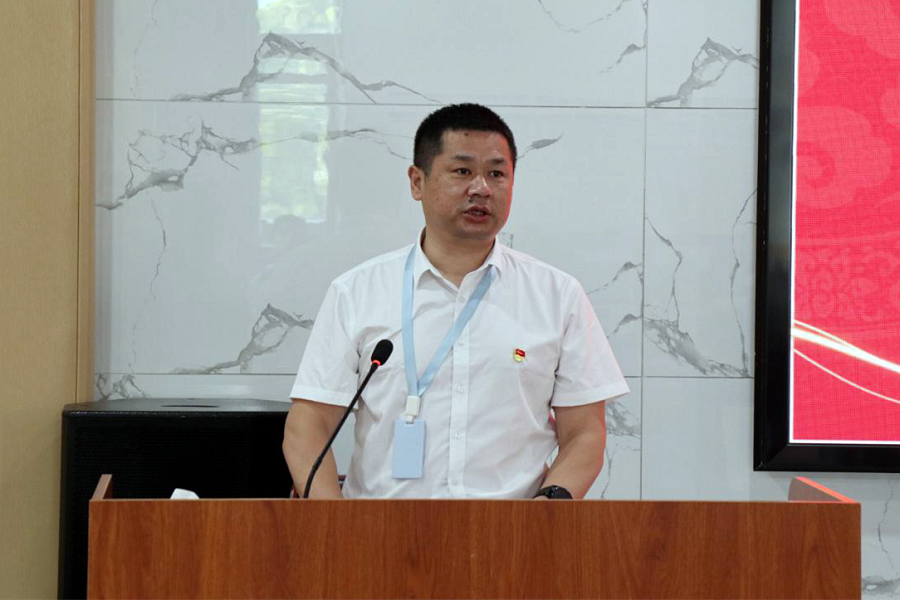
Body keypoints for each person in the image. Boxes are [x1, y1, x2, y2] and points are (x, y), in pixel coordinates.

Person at [283, 103, 628, 499]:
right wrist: (333, 523)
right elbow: (307, 425)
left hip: (514, 529)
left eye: (496, 174)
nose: (481, 188)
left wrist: (548, 509)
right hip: (380, 529)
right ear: (417, 182)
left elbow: (585, 432)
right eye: (462, 171)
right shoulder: (357, 291)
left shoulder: (557, 296)